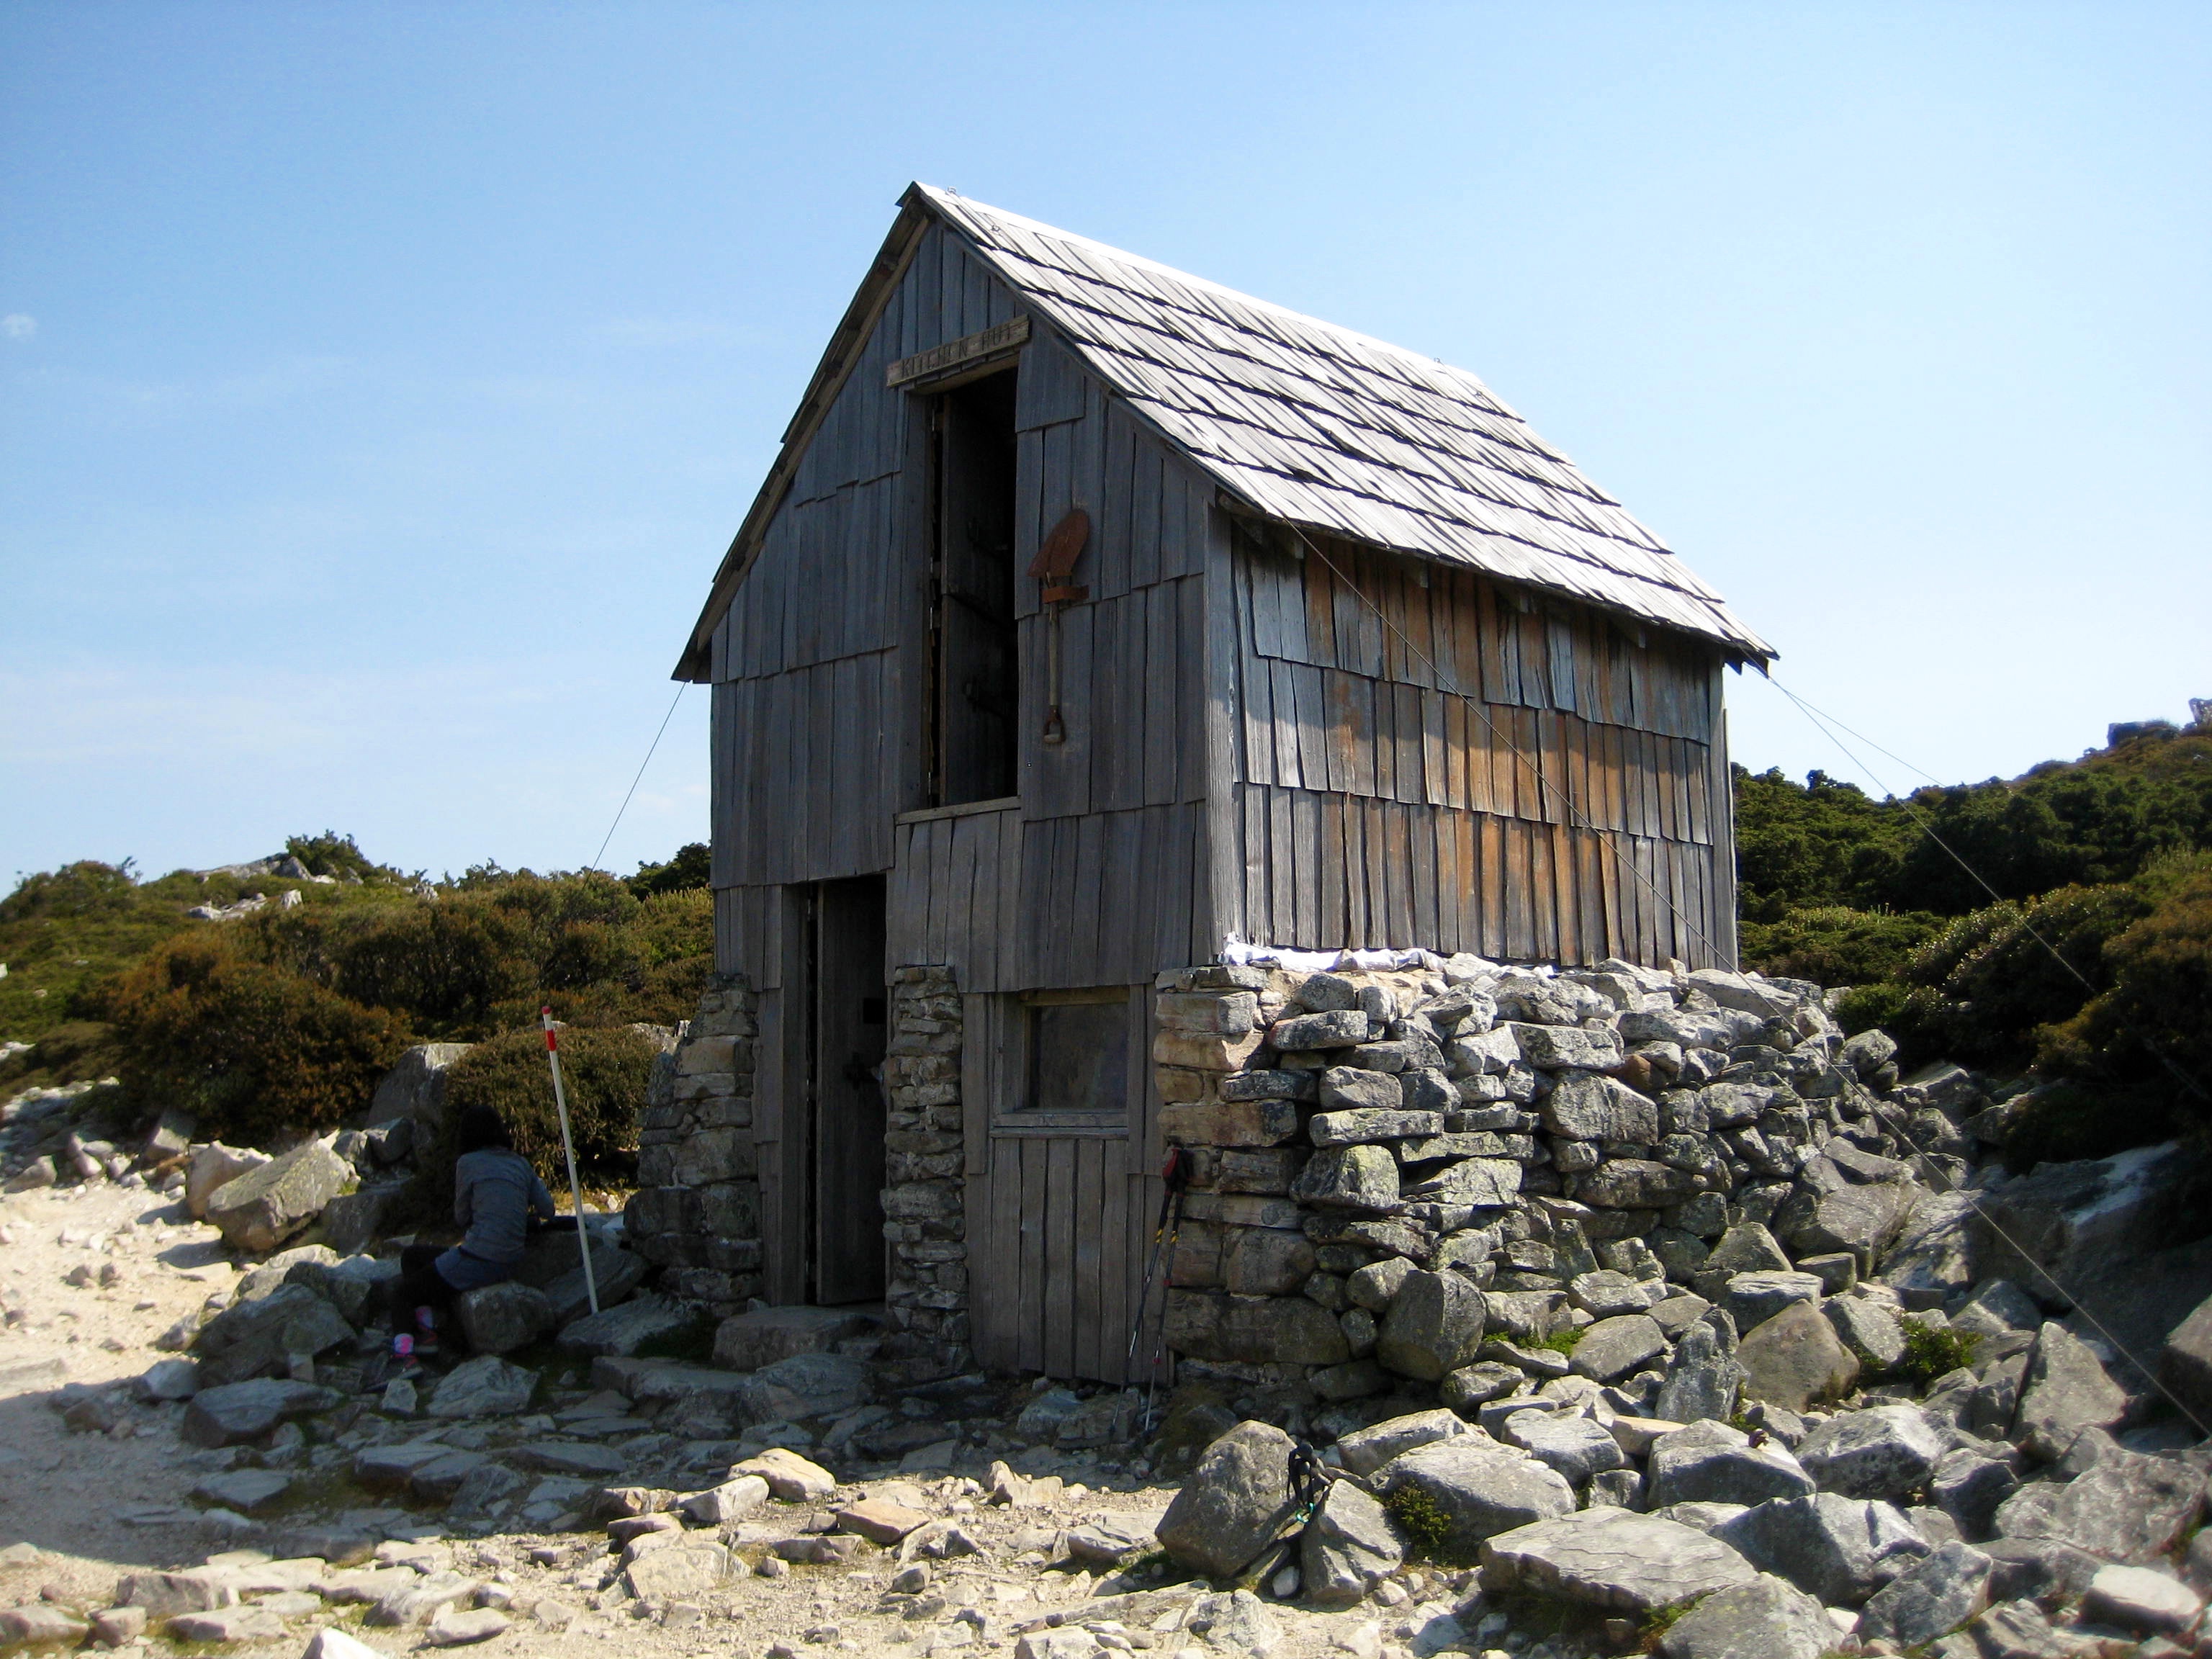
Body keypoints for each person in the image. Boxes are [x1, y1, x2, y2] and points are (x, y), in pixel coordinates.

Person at [390, 1105, 555, 1359]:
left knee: (403, 1294)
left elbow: (461, 1217)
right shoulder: (520, 1164)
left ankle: (405, 1355)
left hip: (480, 1259)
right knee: (412, 1257)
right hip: (509, 1260)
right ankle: (427, 1330)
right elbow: (549, 1210)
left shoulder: (468, 1163)